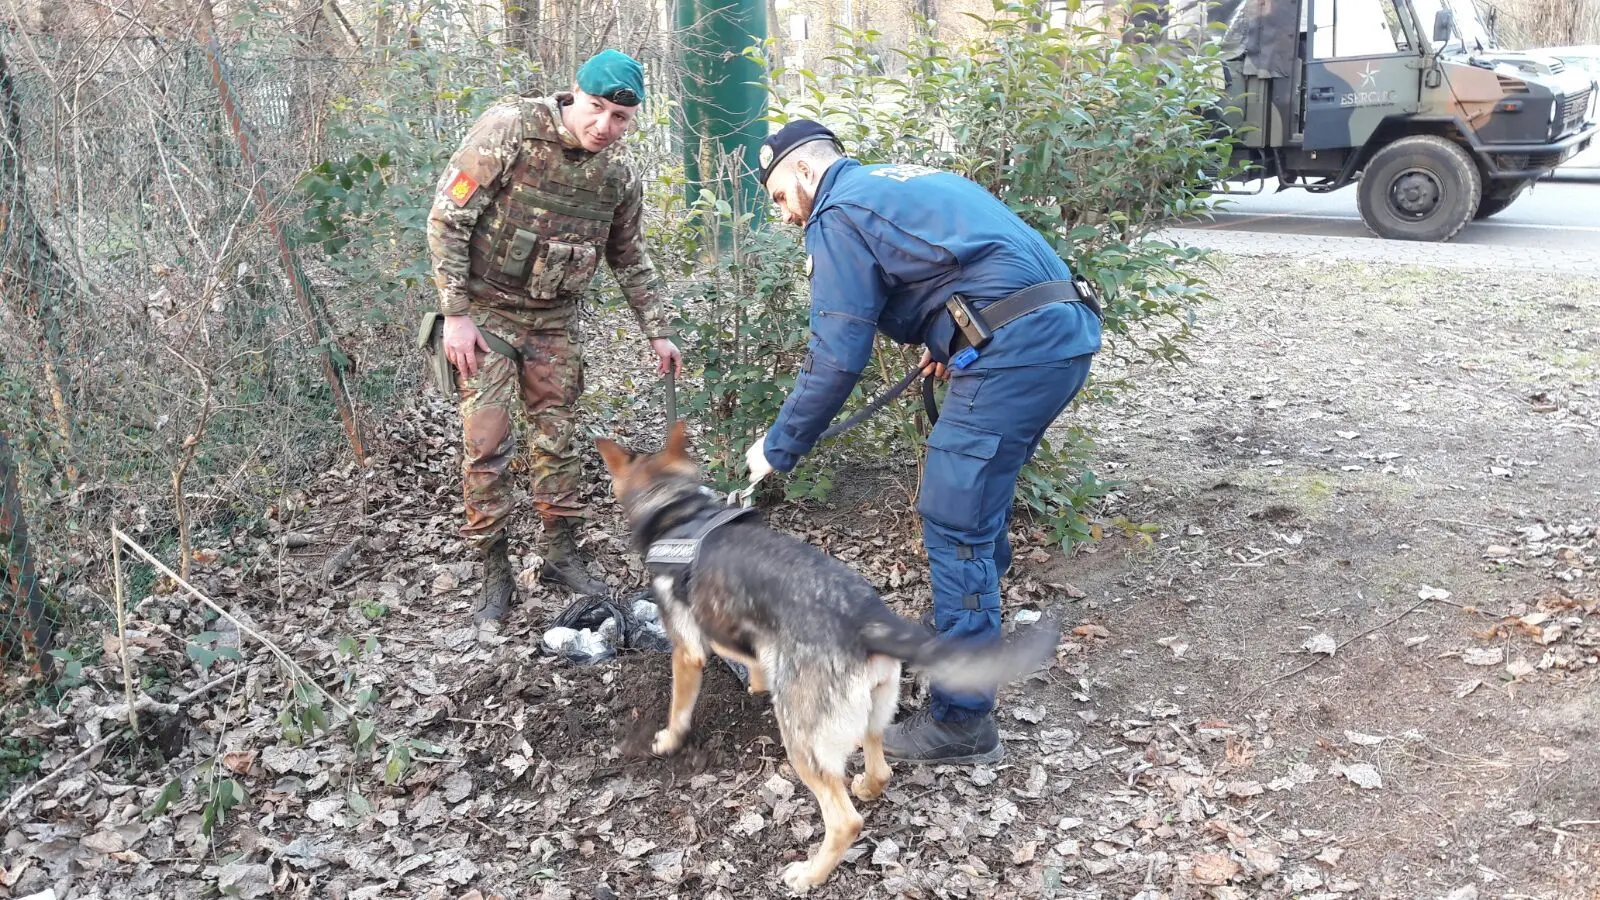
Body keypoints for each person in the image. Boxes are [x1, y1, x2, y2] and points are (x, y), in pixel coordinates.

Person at [744, 120, 1102, 765]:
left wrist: (778, 446)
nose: (784, 215)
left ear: (803, 171)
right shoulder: (898, 181)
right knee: (976, 492)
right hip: (1061, 331)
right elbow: (975, 261)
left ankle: (962, 719)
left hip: (1017, 350)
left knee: (953, 519)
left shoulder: (836, 211)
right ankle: (978, 615)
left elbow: (835, 357)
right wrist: (956, 337)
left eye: (778, 198)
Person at [426, 49, 682, 623]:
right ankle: (494, 570)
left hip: (555, 319)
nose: (604, 127)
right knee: (487, 445)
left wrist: (658, 331)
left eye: (619, 117)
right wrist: (456, 315)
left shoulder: (617, 176)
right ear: (575, 94)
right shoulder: (511, 129)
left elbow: (628, 254)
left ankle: (560, 553)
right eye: (596, 109)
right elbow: (448, 218)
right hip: (487, 314)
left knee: (558, 440)